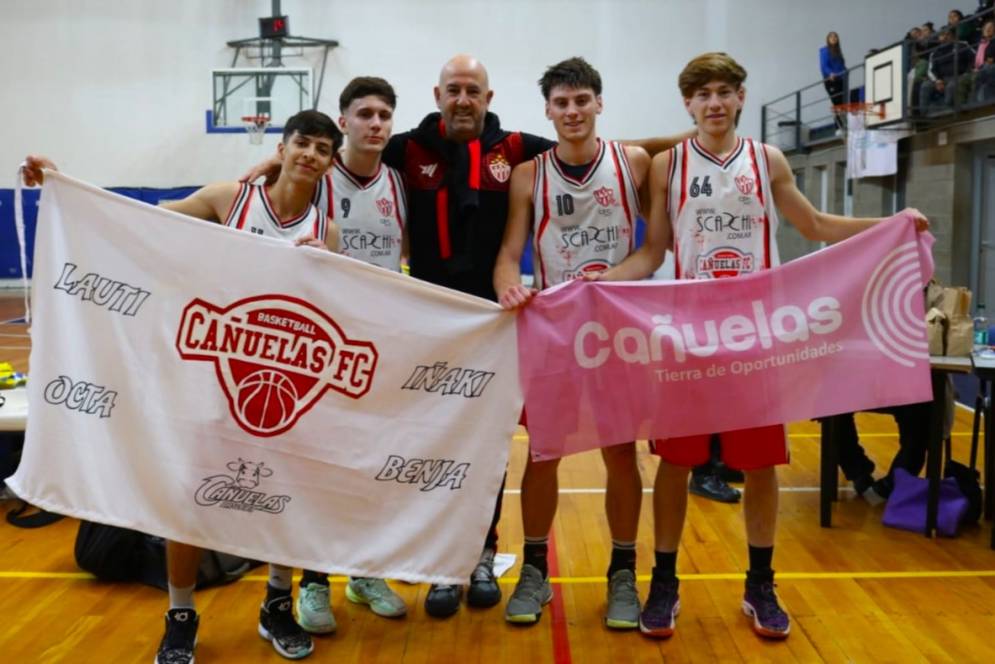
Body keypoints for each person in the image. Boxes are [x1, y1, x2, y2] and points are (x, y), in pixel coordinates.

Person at [247, 54, 690, 619]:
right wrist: (274, 160)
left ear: (488, 96)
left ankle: (479, 555)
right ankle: (374, 568)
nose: (463, 99)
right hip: (417, 320)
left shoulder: (519, 149)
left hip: (495, 322)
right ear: (437, 95)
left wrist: (700, 132)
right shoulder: (407, 149)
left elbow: (601, 142)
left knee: (484, 447)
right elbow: (329, 152)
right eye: (453, 89)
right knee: (399, 445)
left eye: (472, 90)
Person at [595, 52, 929, 641]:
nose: (715, 103)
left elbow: (816, 226)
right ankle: (665, 581)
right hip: (690, 335)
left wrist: (890, 224)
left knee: (760, 465)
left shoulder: (766, 159)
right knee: (675, 462)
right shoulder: (667, 165)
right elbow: (652, 254)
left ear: (741, 97)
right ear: (689, 104)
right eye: (703, 95)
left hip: (756, 334)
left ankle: (760, 584)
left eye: (725, 91)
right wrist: (596, 283)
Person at [23, 109, 342, 664]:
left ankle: (276, 604)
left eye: (322, 149)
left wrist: (328, 268)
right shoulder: (229, 199)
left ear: (329, 163)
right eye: (303, 144)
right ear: (283, 148)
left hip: (279, 386)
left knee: (280, 498)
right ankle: (181, 615)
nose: (311, 155)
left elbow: (332, 312)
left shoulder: (327, 231)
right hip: (210, 375)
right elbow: (144, 222)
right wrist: (65, 185)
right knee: (188, 501)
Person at [493, 57, 650, 628]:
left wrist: (618, 278)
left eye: (582, 100)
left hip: (618, 330)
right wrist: (508, 283)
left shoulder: (632, 162)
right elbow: (510, 252)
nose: (572, 111)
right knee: (543, 453)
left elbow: (654, 249)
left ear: (599, 104)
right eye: (561, 103)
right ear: (548, 112)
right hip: (556, 330)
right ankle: (535, 571)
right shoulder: (529, 175)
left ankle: (624, 574)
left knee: (620, 453)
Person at [293, 77, 410, 634]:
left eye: (385, 114)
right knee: (320, 469)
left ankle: (365, 572)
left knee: (375, 466)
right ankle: (313, 581)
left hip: (380, 342)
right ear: (343, 122)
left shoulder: (399, 182)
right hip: (325, 347)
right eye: (364, 113)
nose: (376, 123)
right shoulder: (317, 177)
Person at [833, 402, 932, 504]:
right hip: (861, 390)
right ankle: (859, 473)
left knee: (920, 411)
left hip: (908, 395)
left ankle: (887, 487)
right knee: (832, 405)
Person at [919, 28, 975, 113]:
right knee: (925, 86)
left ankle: (947, 111)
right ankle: (924, 115)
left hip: (960, 76)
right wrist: (937, 81)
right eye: (942, 35)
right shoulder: (935, 53)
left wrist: (967, 72)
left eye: (947, 34)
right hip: (942, 79)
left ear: (952, 36)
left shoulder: (962, 45)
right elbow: (931, 70)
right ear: (939, 38)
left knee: (951, 86)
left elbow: (974, 58)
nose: (945, 37)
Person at [819, 32, 848, 130]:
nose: (834, 38)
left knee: (841, 103)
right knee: (836, 102)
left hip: (840, 80)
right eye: (831, 36)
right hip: (830, 80)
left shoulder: (838, 53)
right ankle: (838, 127)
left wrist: (845, 71)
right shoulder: (825, 50)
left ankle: (841, 125)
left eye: (835, 36)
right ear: (828, 39)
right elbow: (824, 65)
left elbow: (841, 66)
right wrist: (830, 73)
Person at [972, 20, 995, 102]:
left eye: (990, 27)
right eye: (986, 28)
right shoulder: (981, 43)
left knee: (982, 74)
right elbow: (975, 59)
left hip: (990, 66)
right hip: (981, 67)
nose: (987, 30)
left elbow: (990, 58)